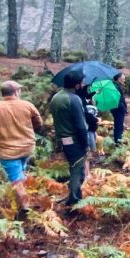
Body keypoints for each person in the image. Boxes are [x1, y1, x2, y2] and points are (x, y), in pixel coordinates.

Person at [0, 81, 43, 217]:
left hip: (7, 151)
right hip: (27, 147)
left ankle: (25, 208)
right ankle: (23, 200)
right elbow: (39, 123)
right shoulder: (27, 105)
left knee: (16, 180)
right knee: (20, 174)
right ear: (16, 92)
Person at [49, 71, 89, 208]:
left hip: (62, 139)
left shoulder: (56, 97)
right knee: (77, 170)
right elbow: (81, 125)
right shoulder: (74, 99)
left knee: (74, 167)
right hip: (74, 140)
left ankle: (73, 196)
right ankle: (74, 202)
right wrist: (85, 144)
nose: (83, 84)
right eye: (82, 82)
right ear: (76, 85)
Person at [111, 73, 127, 146]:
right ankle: (118, 142)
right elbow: (117, 99)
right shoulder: (116, 87)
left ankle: (118, 140)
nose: (124, 80)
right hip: (118, 109)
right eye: (123, 79)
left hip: (116, 108)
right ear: (118, 79)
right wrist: (122, 106)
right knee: (119, 126)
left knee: (118, 125)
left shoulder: (115, 85)